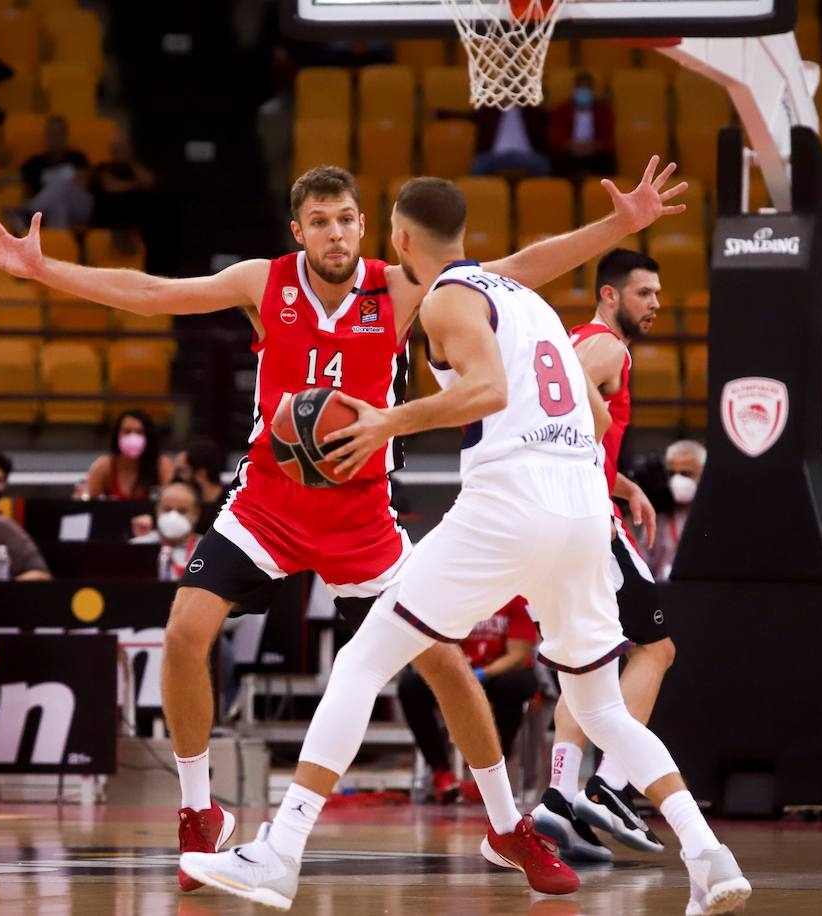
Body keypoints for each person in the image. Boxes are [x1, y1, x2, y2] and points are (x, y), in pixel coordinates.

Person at [0, 162, 677, 894]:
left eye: (347, 218)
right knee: (184, 630)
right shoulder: (262, 282)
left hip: (361, 519)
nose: (336, 232)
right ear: (297, 230)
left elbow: (518, 268)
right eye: (322, 221)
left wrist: (619, 227)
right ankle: (198, 812)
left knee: (445, 666)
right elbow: (153, 295)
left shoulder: (402, 288)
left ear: (366, 227)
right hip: (268, 504)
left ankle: (507, 826)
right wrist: (43, 269)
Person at [180, 174, 752, 916]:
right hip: (580, 512)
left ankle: (279, 855)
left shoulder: (449, 299)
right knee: (603, 709)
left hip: (508, 507)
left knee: (361, 662)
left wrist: (389, 422)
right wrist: (615, 227)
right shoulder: (531, 303)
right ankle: (709, 855)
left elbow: (483, 392)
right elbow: (593, 411)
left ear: (398, 238)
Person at [531, 249, 670, 861]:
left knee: (587, 663)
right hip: (587, 524)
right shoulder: (605, 347)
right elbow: (561, 422)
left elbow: (575, 432)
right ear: (611, 296)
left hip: (561, 517)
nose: (656, 305)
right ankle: (611, 784)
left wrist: (623, 481)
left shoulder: (577, 342)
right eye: (645, 294)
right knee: (658, 647)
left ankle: (560, 799)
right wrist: (596, 487)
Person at [400, 595, 538, 804]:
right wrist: (460, 673)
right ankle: (440, 772)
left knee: (516, 686)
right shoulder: (455, 593)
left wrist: (482, 673)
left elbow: (518, 655)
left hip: (496, 674)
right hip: (457, 671)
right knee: (411, 686)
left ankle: (492, 773)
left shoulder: (516, 599)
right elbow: (437, 646)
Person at [21, 116, 93, 230]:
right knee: (58, 205)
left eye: (59, 133)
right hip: (51, 209)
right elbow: (26, 190)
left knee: (60, 185)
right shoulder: (34, 163)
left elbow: (84, 185)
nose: (55, 138)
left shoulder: (78, 158)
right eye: (52, 133)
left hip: (78, 205)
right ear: (46, 135)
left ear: (66, 135)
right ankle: (60, 242)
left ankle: (29, 212)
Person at [83, 410, 173, 500]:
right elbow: (89, 503)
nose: (133, 437)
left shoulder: (161, 464)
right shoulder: (104, 466)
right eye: (127, 431)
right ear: (117, 435)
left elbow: (172, 502)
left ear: (148, 436)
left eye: (139, 432)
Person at [650, 439, 706, 581]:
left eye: (686, 474)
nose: (677, 480)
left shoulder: (715, 517)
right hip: (663, 594)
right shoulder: (657, 516)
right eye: (672, 473)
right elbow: (643, 561)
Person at [131, 481, 204, 581]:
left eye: (182, 511)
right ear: (157, 509)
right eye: (167, 509)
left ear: (196, 514)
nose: (173, 516)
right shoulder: (136, 547)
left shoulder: (207, 550)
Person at [549, 72, 616, 178]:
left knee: (608, 160)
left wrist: (594, 146)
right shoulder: (561, 109)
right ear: (575, 89)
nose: (584, 91)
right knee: (557, 160)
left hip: (595, 152)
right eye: (581, 87)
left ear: (592, 90)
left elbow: (607, 137)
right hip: (570, 151)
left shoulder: (604, 111)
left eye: (587, 88)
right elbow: (557, 134)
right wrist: (571, 145)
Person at [90, 137, 156, 235]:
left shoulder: (135, 168)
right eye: (116, 148)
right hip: (109, 223)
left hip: (136, 224)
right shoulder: (104, 167)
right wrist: (137, 184)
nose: (119, 151)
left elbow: (149, 182)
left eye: (122, 148)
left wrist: (131, 163)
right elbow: (111, 186)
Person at [469, 107, 551, 177]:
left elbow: (545, 121)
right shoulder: (490, 110)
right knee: (478, 165)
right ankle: (483, 194)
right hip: (495, 155)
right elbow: (473, 116)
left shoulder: (531, 111)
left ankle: (536, 194)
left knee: (542, 164)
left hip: (525, 155)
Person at [173, 437, 227, 534]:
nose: (178, 478)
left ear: (201, 473)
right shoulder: (178, 505)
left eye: (183, 471)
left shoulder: (229, 508)